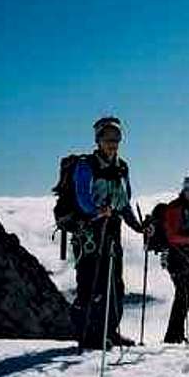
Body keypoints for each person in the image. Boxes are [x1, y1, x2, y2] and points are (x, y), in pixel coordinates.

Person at [72, 116, 147, 349]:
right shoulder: (86, 165)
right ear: (98, 140)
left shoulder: (122, 167)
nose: (113, 142)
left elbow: (124, 203)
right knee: (90, 282)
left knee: (115, 283)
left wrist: (139, 227)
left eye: (116, 138)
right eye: (107, 138)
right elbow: (82, 197)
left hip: (112, 228)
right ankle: (87, 334)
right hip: (89, 231)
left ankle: (110, 331)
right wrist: (97, 210)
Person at [162, 175, 189, 344]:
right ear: (184, 191)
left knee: (187, 296)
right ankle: (172, 337)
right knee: (183, 295)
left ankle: (176, 335)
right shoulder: (175, 208)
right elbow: (171, 237)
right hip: (176, 256)